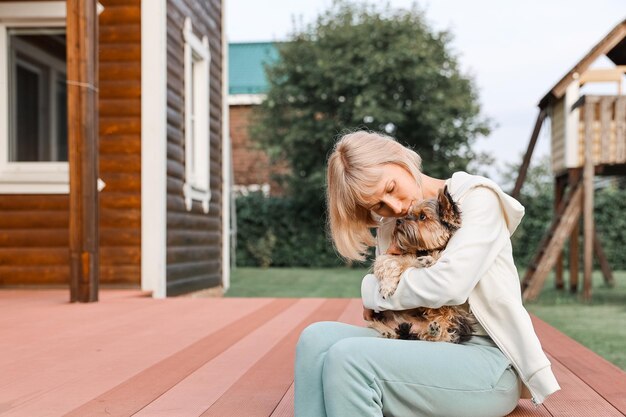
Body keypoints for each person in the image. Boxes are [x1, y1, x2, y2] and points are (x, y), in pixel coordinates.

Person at [294, 130, 560, 417]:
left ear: (399, 159)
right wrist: (381, 291)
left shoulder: (476, 199)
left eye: (391, 187)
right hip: (421, 342)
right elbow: (396, 291)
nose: (394, 207)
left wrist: (370, 293)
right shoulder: (391, 224)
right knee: (316, 339)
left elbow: (447, 286)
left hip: (485, 361)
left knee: (349, 359)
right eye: (378, 205)